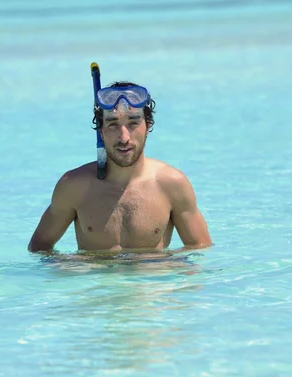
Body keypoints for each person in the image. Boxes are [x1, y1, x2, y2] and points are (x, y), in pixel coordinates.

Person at [27, 81, 212, 253]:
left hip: (152, 286)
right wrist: (73, 266)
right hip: (98, 287)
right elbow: (39, 249)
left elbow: (200, 249)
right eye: (113, 124)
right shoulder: (74, 186)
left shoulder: (172, 184)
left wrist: (166, 264)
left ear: (147, 126)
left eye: (133, 123)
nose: (124, 138)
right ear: (101, 129)